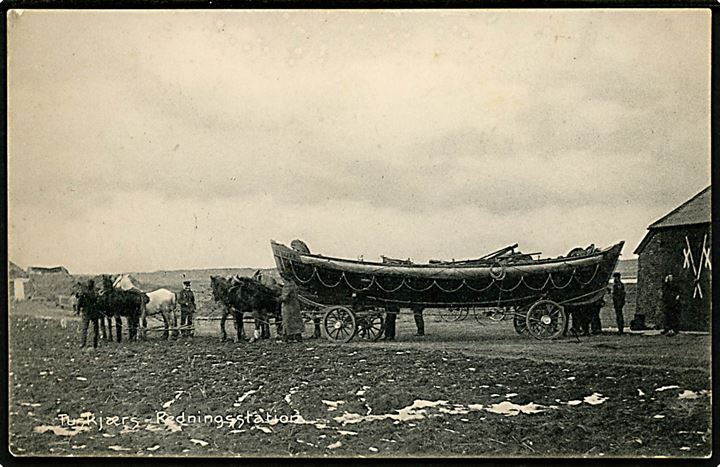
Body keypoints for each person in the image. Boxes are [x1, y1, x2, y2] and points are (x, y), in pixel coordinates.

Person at [78, 279, 100, 349]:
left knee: (84, 329)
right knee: (95, 329)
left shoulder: (83, 293)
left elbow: (79, 303)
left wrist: (78, 310)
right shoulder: (95, 294)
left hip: (86, 313)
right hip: (94, 313)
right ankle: (95, 344)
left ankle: (82, 343)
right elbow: (99, 303)